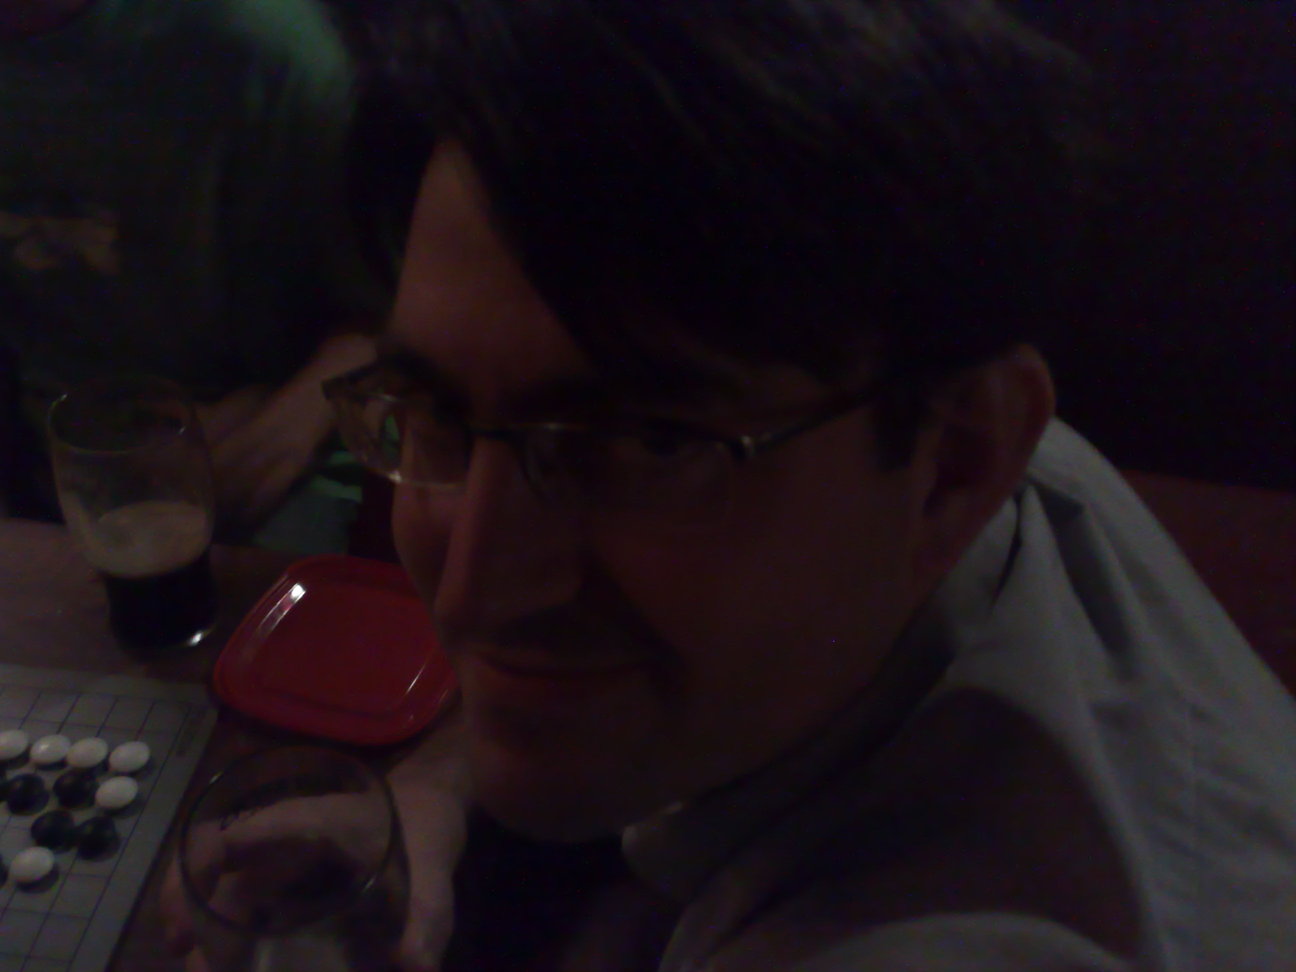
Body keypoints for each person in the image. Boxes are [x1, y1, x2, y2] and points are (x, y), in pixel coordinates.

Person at [164, 1, 1296, 969]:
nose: (471, 587)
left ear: (956, 463)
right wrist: (439, 789)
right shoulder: (957, 454)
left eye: (650, 444)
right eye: (435, 413)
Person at [0, 0, 400, 551]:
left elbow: (399, 314)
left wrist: (283, 431)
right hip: (49, 465)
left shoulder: (264, 49)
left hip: (265, 458)